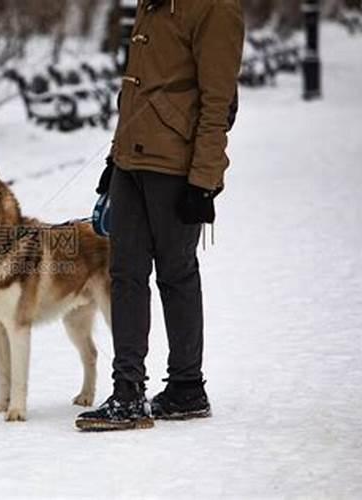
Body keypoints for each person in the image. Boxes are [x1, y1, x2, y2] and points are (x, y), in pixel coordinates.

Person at [75, 0, 244, 431]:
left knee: (176, 273)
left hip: (177, 168)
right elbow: (137, 91)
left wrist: (204, 179)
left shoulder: (215, 8)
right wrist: (116, 158)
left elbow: (218, 102)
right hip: (131, 163)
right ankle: (127, 392)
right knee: (124, 273)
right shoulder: (152, 5)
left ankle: (187, 387)